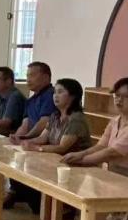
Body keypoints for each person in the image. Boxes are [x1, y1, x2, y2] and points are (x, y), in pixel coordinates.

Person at [9, 79, 93, 213]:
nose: (55, 96)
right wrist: (22, 140)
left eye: (60, 92)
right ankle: (26, 197)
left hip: (72, 166)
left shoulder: (76, 119)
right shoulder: (55, 115)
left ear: (73, 96)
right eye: (54, 92)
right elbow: (43, 138)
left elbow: (62, 148)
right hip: (54, 161)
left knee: (38, 203)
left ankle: (63, 207)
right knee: (18, 168)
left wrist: (37, 148)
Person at [62, 77, 128, 186]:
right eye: (117, 95)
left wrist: (80, 160)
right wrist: (81, 154)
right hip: (117, 172)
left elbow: (112, 153)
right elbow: (101, 146)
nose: (119, 100)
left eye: (126, 96)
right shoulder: (115, 120)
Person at [9, 62, 57, 144]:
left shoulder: (51, 95)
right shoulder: (30, 100)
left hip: (46, 143)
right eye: (27, 76)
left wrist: (26, 138)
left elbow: (44, 122)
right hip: (30, 141)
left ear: (45, 77)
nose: (28, 80)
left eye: (32, 75)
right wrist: (16, 137)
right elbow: (25, 125)